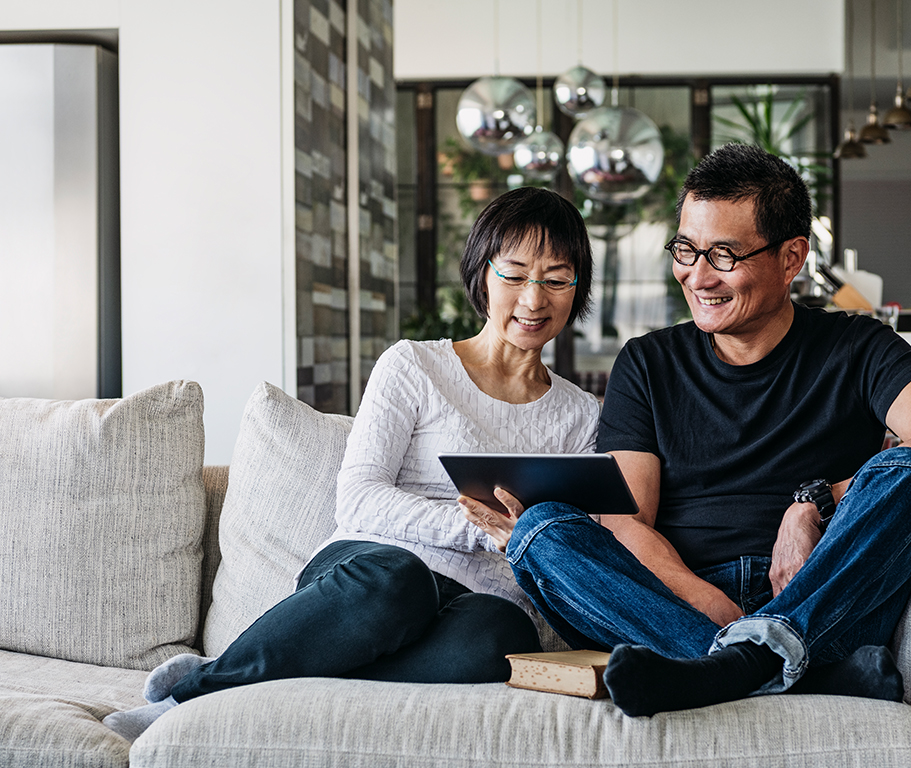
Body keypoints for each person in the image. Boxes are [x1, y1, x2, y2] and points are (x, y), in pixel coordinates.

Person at [463, 144, 911, 717]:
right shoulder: (648, 362)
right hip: (679, 602)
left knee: (909, 468)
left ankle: (725, 668)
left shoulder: (858, 346)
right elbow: (626, 519)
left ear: (791, 258)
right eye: (686, 249)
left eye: (723, 254)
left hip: (819, 589)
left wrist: (815, 503)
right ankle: (783, 667)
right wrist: (703, 599)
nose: (698, 276)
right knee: (540, 530)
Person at [102, 186, 601, 742]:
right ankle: (191, 696)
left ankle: (259, 671)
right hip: (368, 577)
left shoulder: (581, 415)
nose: (533, 298)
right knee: (401, 580)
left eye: (556, 279)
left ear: (576, 288)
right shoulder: (414, 366)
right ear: (483, 274)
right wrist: (481, 528)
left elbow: (571, 531)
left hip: (472, 604)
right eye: (515, 274)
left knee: (502, 635)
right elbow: (359, 497)